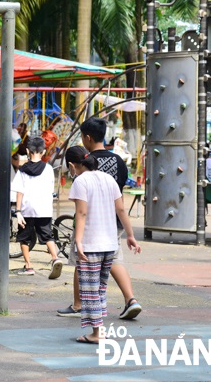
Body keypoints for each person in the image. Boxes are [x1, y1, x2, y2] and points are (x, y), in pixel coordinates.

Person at [57, 117, 143, 320]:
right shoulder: (119, 161)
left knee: (83, 261)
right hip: (113, 221)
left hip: (92, 223)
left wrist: (78, 236)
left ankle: (79, 306)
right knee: (114, 259)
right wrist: (130, 233)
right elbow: (120, 199)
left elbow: (82, 207)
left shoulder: (85, 162)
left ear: (87, 138)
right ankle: (130, 299)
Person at [65, 146, 141, 344]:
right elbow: (121, 209)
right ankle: (99, 330)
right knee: (99, 288)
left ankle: (97, 333)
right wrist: (130, 235)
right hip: (110, 243)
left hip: (91, 243)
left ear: (72, 166)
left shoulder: (80, 181)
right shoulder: (109, 179)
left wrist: (78, 241)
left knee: (89, 290)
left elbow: (81, 213)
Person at [11, 136, 63, 279]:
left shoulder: (22, 170)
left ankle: (28, 266)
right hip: (44, 209)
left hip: (27, 209)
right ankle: (55, 257)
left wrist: (18, 211)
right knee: (47, 235)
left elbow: (19, 192)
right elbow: (50, 189)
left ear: (28, 151)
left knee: (24, 238)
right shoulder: (48, 169)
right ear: (44, 151)